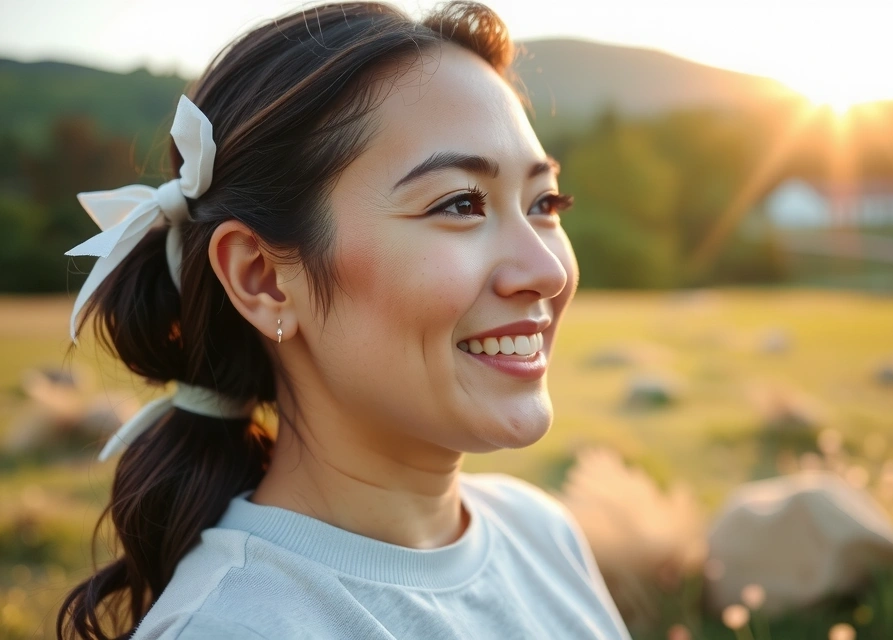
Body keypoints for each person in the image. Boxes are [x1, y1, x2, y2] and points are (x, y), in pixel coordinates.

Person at [56, 2, 630, 639]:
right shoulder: (235, 627)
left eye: (544, 202)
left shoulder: (541, 532)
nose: (546, 271)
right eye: (461, 203)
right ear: (264, 279)